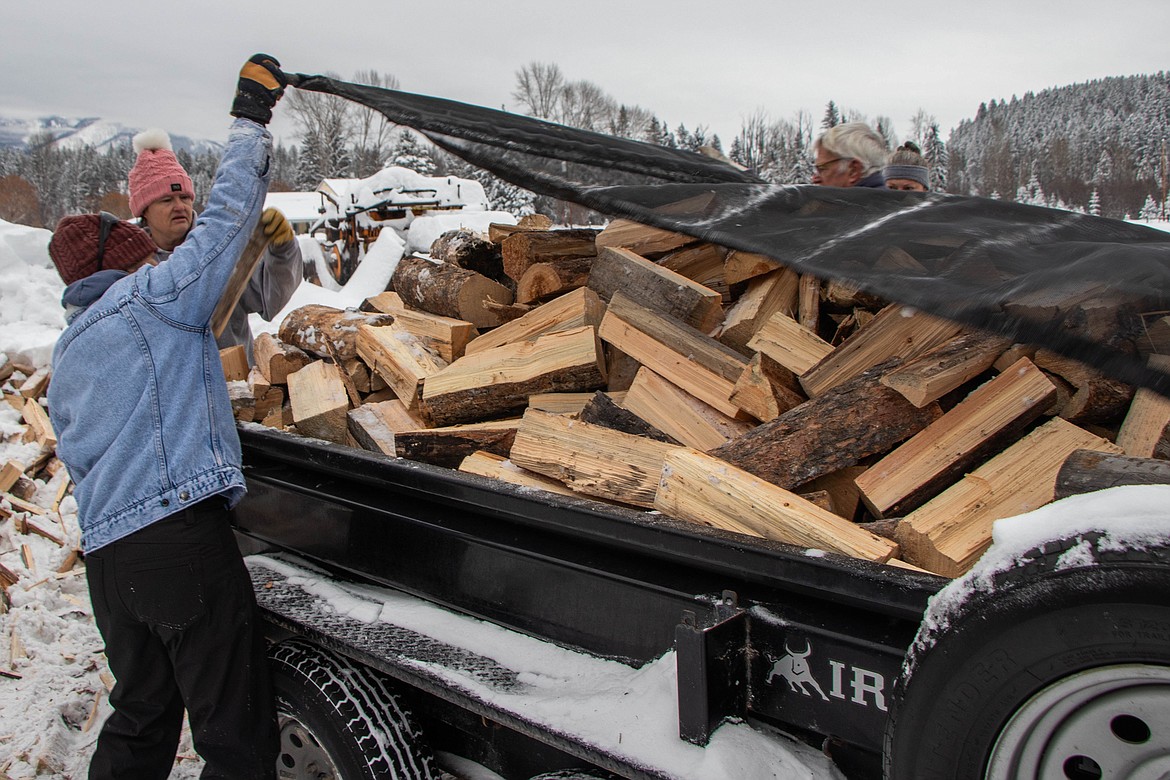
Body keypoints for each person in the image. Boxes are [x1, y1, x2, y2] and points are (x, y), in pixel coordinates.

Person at [47, 54, 290, 779]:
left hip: (110, 562)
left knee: (141, 720)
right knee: (236, 736)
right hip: (178, 541)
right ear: (132, 257)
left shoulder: (68, 351)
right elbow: (224, 224)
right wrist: (249, 120)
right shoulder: (151, 295)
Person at [128, 122, 302, 365]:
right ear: (144, 210)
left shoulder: (220, 248)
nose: (180, 206)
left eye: (184, 197)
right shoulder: (130, 269)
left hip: (236, 389)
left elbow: (267, 298)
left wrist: (283, 251)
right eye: (166, 199)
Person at [811, 122, 889, 188]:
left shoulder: (850, 205)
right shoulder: (893, 203)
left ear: (853, 171)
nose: (815, 179)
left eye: (822, 168)